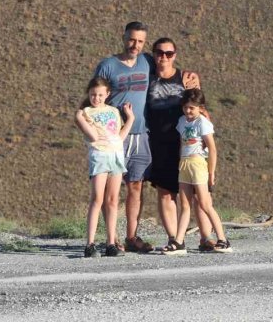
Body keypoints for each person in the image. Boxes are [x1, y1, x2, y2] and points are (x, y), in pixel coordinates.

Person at [146, 38, 216, 252]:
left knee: (198, 193)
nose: (163, 57)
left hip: (188, 146)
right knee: (166, 193)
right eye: (159, 52)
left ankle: (206, 238)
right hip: (160, 144)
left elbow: (199, 108)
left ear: (175, 55)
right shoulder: (147, 80)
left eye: (168, 53)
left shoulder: (185, 79)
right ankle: (175, 239)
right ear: (154, 54)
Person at [93, 21, 154, 253]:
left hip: (141, 133)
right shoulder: (108, 66)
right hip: (115, 137)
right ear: (123, 38)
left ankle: (132, 237)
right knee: (112, 190)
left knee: (136, 186)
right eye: (131, 39)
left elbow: (168, 71)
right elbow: (96, 99)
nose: (134, 45)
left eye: (139, 41)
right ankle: (112, 237)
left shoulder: (147, 62)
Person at [163, 88, 231, 255]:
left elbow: (212, 149)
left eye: (192, 108)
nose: (188, 111)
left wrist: (211, 172)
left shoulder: (203, 123)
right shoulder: (182, 121)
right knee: (185, 205)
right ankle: (178, 242)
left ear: (200, 107)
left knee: (205, 204)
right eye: (186, 107)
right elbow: (182, 143)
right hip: (185, 164)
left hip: (198, 163)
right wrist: (180, 162)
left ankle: (223, 239)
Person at [74, 77, 134, 258]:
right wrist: (79, 118)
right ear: (88, 94)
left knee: (113, 200)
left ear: (107, 94)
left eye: (100, 95)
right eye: (93, 94)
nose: (97, 98)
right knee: (97, 199)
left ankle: (110, 243)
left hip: (116, 155)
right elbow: (92, 136)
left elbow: (119, 136)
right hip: (99, 155)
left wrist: (130, 118)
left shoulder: (114, 111)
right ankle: (90, 244)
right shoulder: (86, 112)